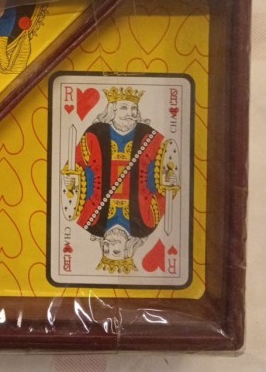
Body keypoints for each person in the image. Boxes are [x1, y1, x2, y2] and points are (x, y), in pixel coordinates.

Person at [60, 86, 179, 274]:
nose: (130, 113)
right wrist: (168, 180)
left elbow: (161, 179)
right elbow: (78, 165)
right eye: (124, 108)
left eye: (133, 109)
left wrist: (71, 181)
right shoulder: (95, 132)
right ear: (112, 109)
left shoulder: (149, 136)